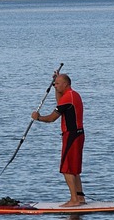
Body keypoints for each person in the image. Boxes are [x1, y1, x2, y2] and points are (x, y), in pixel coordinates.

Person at [32, 70, 85, 206]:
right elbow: (60, 102)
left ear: (66, 84)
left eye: (57, 84)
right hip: (78, 134)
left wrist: (38, 118)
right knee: (74, 169)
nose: (55, 86)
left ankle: (74, 200)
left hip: (71, 135)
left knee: (66, 169)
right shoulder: (73, 95)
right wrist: (56, 79)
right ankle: (80, 198)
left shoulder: (68, 98)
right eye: (54, 84)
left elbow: (51, 118)